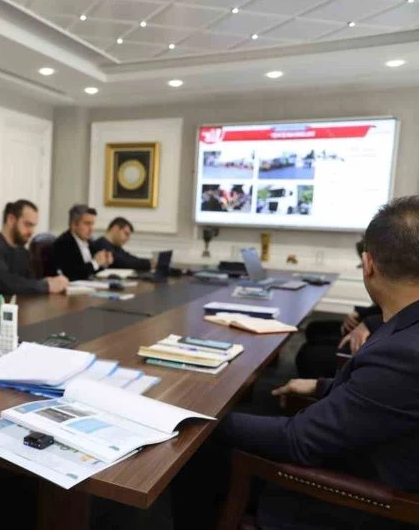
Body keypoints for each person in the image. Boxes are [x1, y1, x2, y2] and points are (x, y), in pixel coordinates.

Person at [176, 196, 419, 530]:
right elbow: (384, 398)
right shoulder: (406, 333)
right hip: (376, 454)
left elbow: (297, 440)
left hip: (354, 501)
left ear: (368, 264)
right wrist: (320, 385)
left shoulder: (404, 354)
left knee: (200, 445)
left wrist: (204, 420)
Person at [295, 238, 382, 378]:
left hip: (377, 339)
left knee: (308, 355)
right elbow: (381, 309)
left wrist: (370, 323)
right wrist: (361, 315)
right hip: (375, 326)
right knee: (314, 329)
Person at [0, 200, 68, 296]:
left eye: (33, 226)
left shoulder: (22, 250)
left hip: (19, 303)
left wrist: (46, 282)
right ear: (11, 219)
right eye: (27, 224)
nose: (31, 231)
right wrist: (45, 286)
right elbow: (4, 284)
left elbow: (28, 282)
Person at [52, 204, 113, 281]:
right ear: (73, 225)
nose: (91, 228)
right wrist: (95, 263)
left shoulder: (90, 243)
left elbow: (92, 270)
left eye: (92, 224)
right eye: (87, 224)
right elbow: (72, 273)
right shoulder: (63, 243)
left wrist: (103, 263)